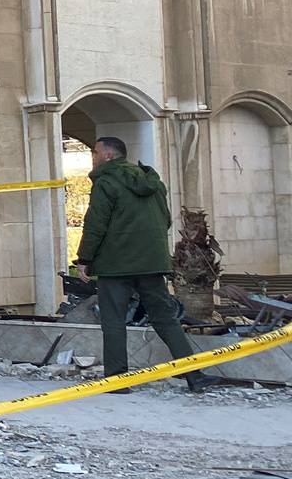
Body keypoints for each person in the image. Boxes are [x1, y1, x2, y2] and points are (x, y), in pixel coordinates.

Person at [74, 137, 209, 392]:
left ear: (109, 156)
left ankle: (117, 382)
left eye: (95, 152)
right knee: (166, 319)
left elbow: (96, 223)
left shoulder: (106, 182)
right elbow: (166, 220)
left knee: (113, 321)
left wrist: (84, 259)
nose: (93, 156)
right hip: (152, 263)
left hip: (115, 266)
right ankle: (195, 375)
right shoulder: (153, 182)